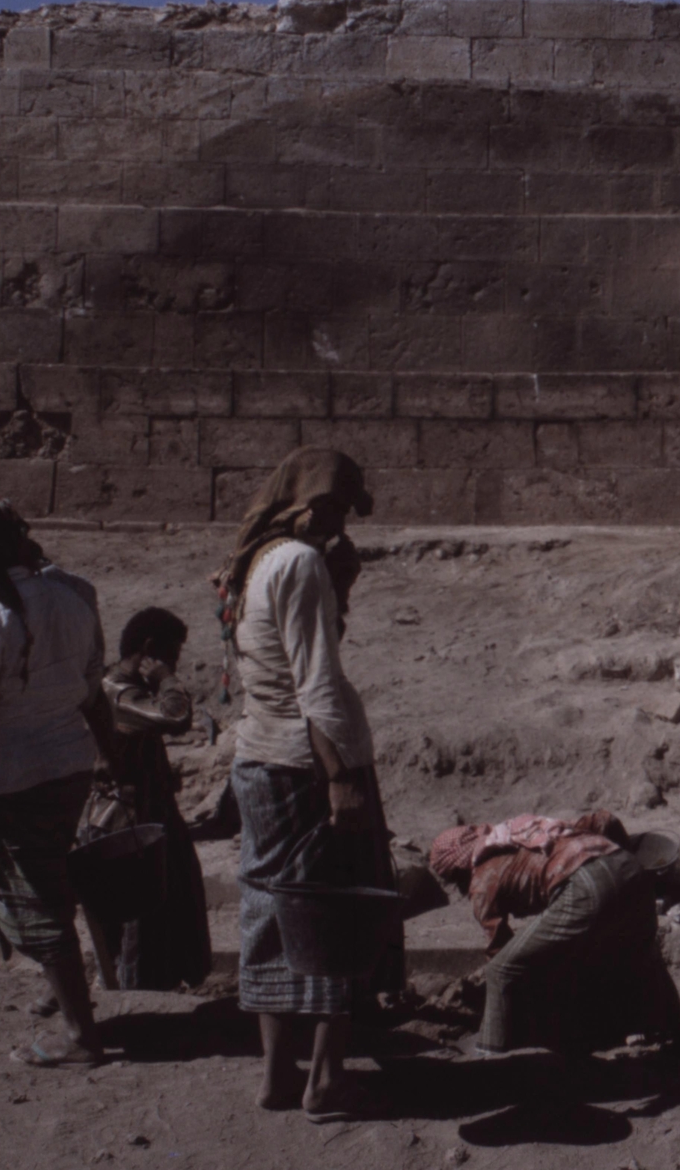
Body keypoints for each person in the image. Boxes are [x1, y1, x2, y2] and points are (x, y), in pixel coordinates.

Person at [214, 447, 401, 1120]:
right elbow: (315, 682)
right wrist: (342, 778)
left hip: (260, 760)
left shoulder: (260, 560)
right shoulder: (299, 564)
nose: (336, 521)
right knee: (330, 919)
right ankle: (325, 1081)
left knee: (269, 915)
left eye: (342, 511)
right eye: (327, 506)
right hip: (303, 766)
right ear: (296, 500)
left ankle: (276, 1077)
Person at [0, 489, 118, 1066]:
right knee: (52, 882)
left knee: (32, 901)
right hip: (70, 767)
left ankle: (81, 1036)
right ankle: (55, 990)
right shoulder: (74, 594)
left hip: (16, 779)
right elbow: (90, 688)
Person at [428, 811, 680, 1059]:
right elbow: (601, 819)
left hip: (587, 883)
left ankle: (490, 1057)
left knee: (499, 970)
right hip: (630, 869)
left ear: (456, 871)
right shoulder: (515, 831)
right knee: (647, 958)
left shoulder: (482, 879)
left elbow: (501, 954)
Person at [83, 607, 212, 991]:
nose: (173, 665)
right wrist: (166, 677)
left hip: (145, 821)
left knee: (161, 917)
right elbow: (175, 717)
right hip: (125, 827)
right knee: (138, 925)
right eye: (170, 656)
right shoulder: (117, 693)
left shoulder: (118, 687)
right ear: (150, 649)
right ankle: (137, 1000)